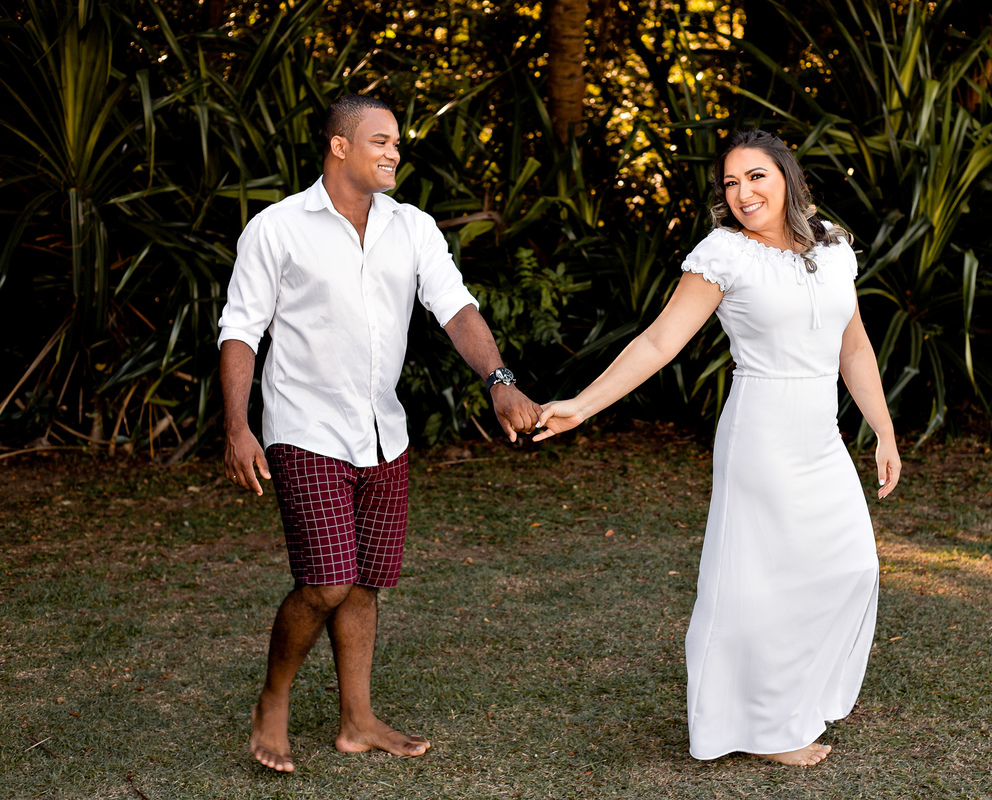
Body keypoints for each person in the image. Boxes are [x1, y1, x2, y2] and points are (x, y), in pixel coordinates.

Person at [534, 129, 901, 766]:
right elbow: (657, 343)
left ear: (786, 175)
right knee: (757, 583)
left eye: (755, 177)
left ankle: (792, 702)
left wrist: (885, 430)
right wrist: (581, 405)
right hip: (760, 430)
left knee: (852, 569)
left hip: (820, 435)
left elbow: (854, 346)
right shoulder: (723, 255)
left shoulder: (834, 244)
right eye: (730, 183)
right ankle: (766, 725)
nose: (743, 193)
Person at [218, 94, 541, 773]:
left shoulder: (412, 228)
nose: (394, 151)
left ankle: (357, 721)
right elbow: (241, 331)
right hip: (303, 428)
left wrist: (500, 378)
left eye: (397, 141)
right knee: (328, 582)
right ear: (339, 146)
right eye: (380, 139)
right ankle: (272, 700)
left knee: (363, 583)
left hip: (382, 433)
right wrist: (238, 427)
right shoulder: (276, 229)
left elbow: (455, 308)